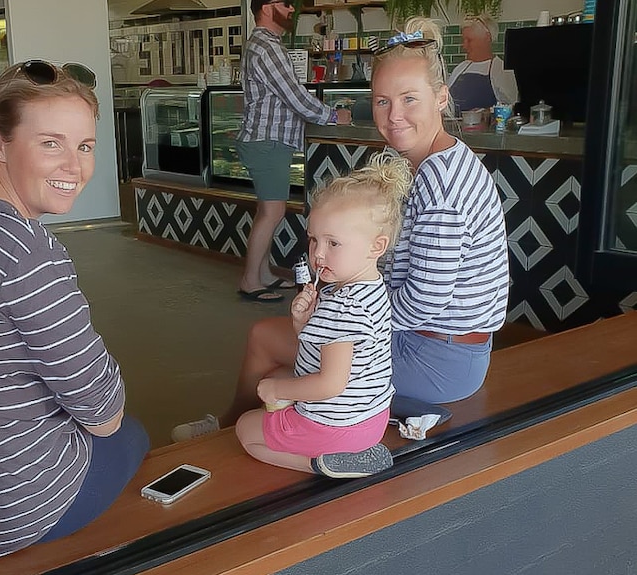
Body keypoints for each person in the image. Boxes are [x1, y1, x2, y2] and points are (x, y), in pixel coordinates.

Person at [173, 17, 508, 441]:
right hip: (437, 346)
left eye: (409, 99)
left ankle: (222, 432)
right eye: (382, 101)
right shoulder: (432, 161)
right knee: (283, 370)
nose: (394, 116)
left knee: (265, 339)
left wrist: (338, 318)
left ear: (441, 98)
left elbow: (424, 303)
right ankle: (241, 434)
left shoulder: (440, 185)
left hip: (438, 357)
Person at [0, 60, 149, 559]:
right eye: (51, 143)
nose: (76, 166)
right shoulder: (26, 252)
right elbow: (103, 411)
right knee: (132, 435)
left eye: (84, 146)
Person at [235, 152, 412, 478]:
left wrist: (278, 391)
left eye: (333, 243)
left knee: (247, 430)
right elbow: (346, 354)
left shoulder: (340, 306)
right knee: (276, 385)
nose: (317, 253)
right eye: (314, 239)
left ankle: (321, 464)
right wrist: (305, 325)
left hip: (336, 428)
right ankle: (342, 453)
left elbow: (330, 383)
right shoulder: (373, 288)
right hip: (371, 422)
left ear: (377, 246)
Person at [237, 0, 351, 303]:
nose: (291, 9)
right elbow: (296, 97)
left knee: (267, 211)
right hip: (267, 142)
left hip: (267, 141)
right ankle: (250, 280)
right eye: (285, 3)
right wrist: (332, 115)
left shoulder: (262, 44)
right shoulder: (267, 47)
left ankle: (263, 274)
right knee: (272, 212)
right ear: (266, 6)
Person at [446, 15, 518, 114]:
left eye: (470, 40)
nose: (464, 46)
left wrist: (488, 111)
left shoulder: (500, 69)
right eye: (463, 40)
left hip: (484, 129)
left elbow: (513, 106)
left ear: (487, 38)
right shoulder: (461, 68)